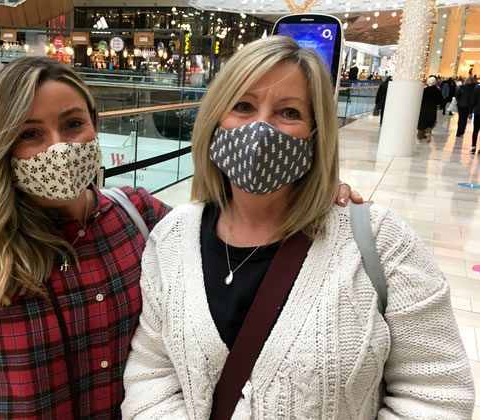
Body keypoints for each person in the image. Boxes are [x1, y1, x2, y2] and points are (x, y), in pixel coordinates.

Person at [0, 57, 360, 419]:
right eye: (30, 133)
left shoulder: (139, 217)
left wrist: (310, 194)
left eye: (73, 124)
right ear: (3, 147)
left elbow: (238, 236)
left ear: (95, 129)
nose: (58, 147)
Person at [121, 36, 474, 419]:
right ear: (215, 120)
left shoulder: (380, 241)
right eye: (243, 106)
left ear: (315, 134)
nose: (260, 129)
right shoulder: (172, 237)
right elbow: (152, 375)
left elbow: (437, 393)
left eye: (289, 113)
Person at [416, 76, 443, 143]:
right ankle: (428, 133)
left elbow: (420, 99)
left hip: (424, 108)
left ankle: (420, 136)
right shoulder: (437, 91)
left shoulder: (424, 90)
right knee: (430, 123)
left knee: (422, 123)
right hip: (432, 109)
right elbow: (440, 101)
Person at [469, 79, 480, 154]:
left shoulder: (477, 89)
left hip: (478, 111)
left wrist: (470, 112)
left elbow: (473, 101)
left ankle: (473, 146)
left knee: (475, 130)